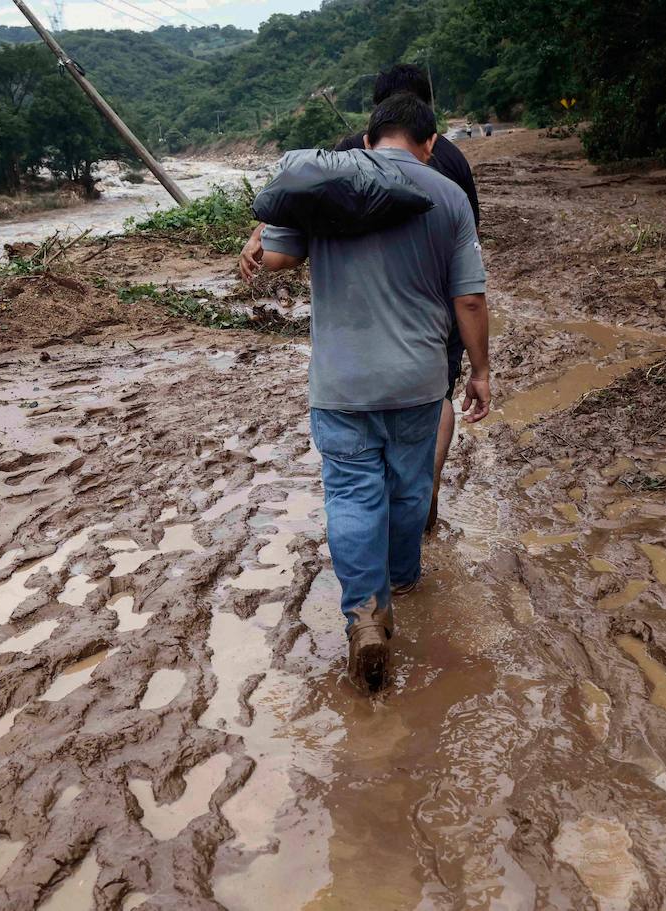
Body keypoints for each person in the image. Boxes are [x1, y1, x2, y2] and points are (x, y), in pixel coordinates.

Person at [250, 94, 491, 691]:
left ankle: (364, 613)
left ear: (367, 139)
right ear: (429, 143)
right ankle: (404, 577)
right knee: (409, 486)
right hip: (417, 379)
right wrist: (481, 371)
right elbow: (470, 299)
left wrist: (255, 242)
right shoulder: (449, 196)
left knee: (353, 496)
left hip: (342, 383)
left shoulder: (326, 189)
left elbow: (277, 256)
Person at [242, 63, 481, 531]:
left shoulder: (348, 155)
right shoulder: (451, 162)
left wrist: (260, 230)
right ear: (427, 118)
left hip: (352, 330)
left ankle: (371, 541)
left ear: (376, 115)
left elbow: (296, 204)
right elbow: (469, 250)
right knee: (438, 397)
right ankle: (422, 498)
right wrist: (483, 366)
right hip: (432, 314)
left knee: (354, 476)